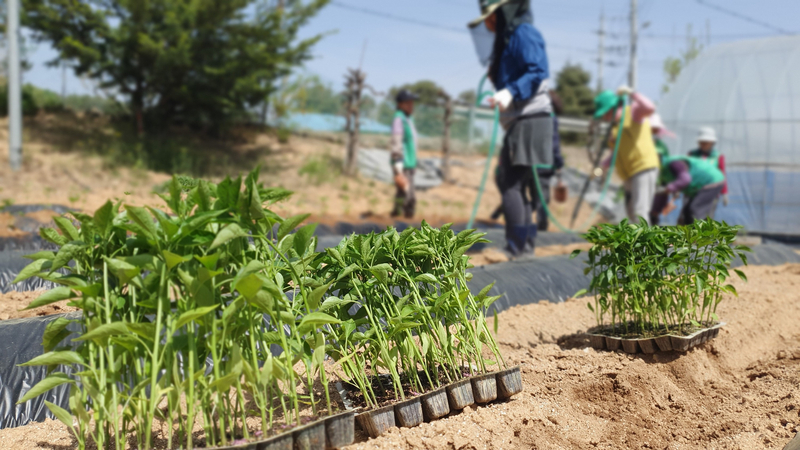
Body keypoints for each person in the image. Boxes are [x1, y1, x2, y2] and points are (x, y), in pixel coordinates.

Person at [469, 0, 553, 256]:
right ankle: (524, 247)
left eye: (491, 16)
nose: (488, 22)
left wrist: (510, 91)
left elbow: (536, 70)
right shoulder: (508, 40)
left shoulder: (523, 33)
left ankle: (517, 247)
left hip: (528, 119)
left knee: (511, 184)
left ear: (504, 12)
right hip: (523, 120)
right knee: (517, 184)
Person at [594, 86, 660, 223]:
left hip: (643, 167)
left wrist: (632, 93)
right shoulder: (615, 128)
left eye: (604, 113)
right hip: (628, 173)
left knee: (640, 211)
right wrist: (602, 167)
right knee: (631, 212)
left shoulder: (633, 113)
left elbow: (649, 108)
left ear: (611, 109)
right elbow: (615, 154)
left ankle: (643, 243)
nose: (604, 118)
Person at [657, 155, 726, 225]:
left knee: (695, 209)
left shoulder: (674, 163)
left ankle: (700, 233)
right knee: (687, 211)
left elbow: (685, 179)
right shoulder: (662, 170)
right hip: (698, 185)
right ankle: (690, 233)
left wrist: (669, 188)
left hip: (712, 181)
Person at [390, 89, 419, 218]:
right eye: (408, 103)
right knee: (408, 195)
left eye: (412, 103)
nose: (411, 105)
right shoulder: (399, 119)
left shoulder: (408, 118)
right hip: (403, 162)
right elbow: (397, 140)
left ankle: (397, 215)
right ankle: (404, 220)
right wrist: (398, 163)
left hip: (410, 162)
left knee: (403, 192)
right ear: (400, 104)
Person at [688, 127, 728, 208]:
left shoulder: (718, 156)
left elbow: (722, 175)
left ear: (712, 143)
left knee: (707, 217)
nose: (704, 144)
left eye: (706, 142)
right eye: (702, 142)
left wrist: (724, 193)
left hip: (711, 193)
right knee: (691, 216)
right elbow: (685, 172)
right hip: (693, 192)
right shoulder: (692, 154)